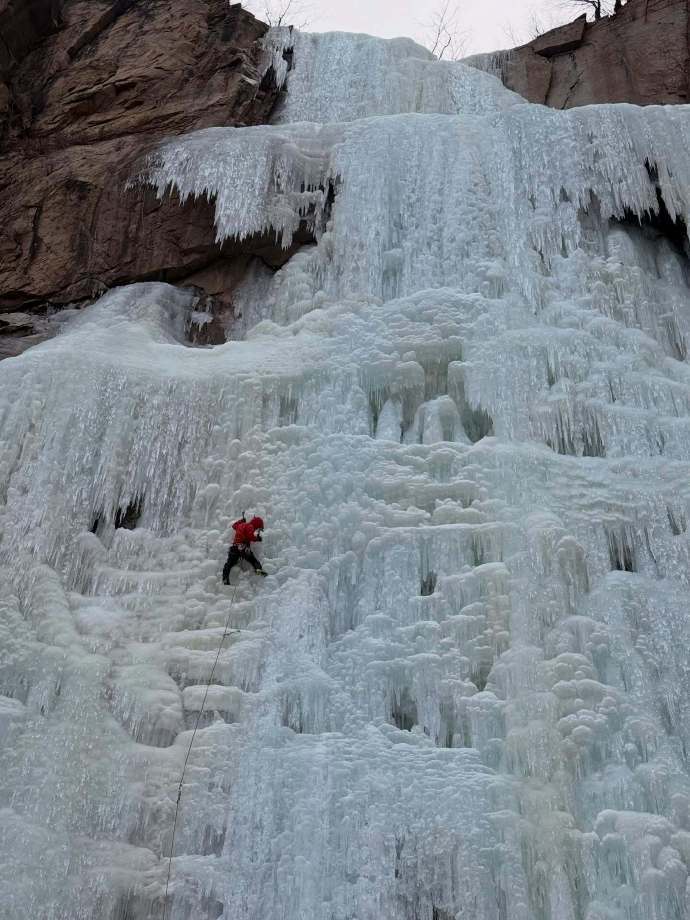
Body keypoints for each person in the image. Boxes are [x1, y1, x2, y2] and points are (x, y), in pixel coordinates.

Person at [222, 513, 267, 583]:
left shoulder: (240, 524)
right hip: (243, 547)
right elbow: (250, 536)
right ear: (257, 524)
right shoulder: (250, 526)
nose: (257, 530)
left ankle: (225, 578)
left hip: (234, 547)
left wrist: (241, 520)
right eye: (258, 528)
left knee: (230, 563)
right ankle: (259, 571)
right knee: (252, 560)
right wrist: (257, 538)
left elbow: (234, 526)